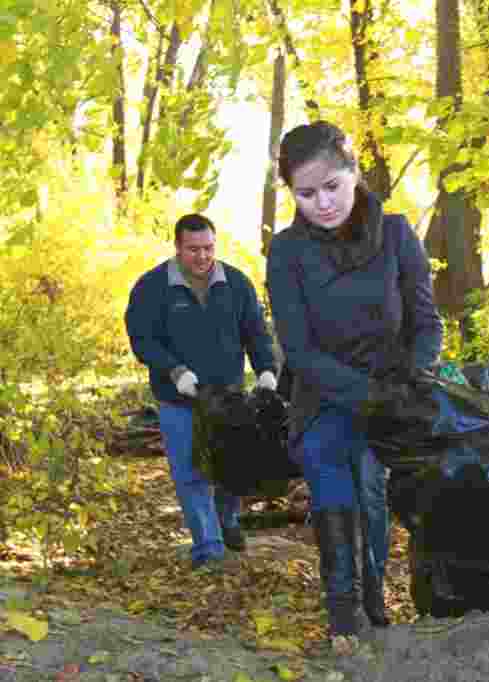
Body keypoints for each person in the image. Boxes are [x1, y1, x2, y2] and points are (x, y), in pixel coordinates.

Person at [266, 121, 442, 641]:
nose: (322, 203)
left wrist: (412, 378)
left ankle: (374, 602)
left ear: (355, 174)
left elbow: (426, 322)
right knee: (333, 487)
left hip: (393, 397)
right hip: (324, 399)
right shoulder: (287, 252)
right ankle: (343, 613)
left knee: (374, 495)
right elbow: (298, 349)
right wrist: (364, 394)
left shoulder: (396, 234)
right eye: (306, 193)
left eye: (332, 187)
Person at [125, 213, 279, 571]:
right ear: (178, 247)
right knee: (190, 473)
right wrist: (174, 370)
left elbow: (256, 333)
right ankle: (209, 548)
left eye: (208, 248)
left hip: (228, 398)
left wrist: (267, 371)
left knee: (231, 468)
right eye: (193, 249)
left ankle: (226, 522)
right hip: (178, 398)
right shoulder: (152, 287)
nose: (202, 256)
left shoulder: (236, 283)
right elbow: (142, 339)